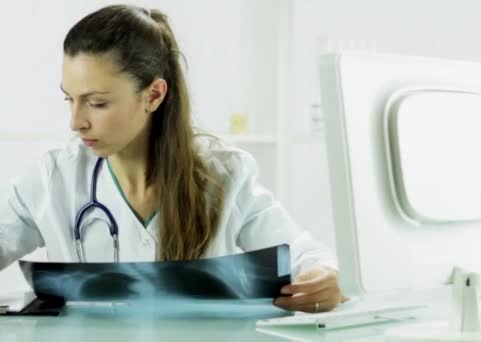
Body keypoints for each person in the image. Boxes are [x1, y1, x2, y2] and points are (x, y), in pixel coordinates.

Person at [0, 4, 342, 313]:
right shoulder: (52, 178)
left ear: (153, 94)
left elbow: (304, 254)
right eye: (69, 99)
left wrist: (324, 277)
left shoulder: (224, 175)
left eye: (98, 103)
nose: (76, 122)